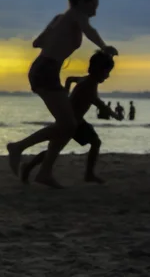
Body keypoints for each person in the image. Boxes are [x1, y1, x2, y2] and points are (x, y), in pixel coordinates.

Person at [7, 0, 118, 188]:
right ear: (82, 2)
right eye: (93, 5)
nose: (95, 10)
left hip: (44, 69)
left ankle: (45, 172)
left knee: (67, 126)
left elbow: (37, 42)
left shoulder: (61, 18)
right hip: (46, 71)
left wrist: (55, 38)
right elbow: (89, 30)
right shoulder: (77, 15)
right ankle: (18, 147)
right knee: (68, 124)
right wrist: (104, 47)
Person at [20, 51, 121, 184]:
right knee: (54, 149)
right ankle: (28, 168)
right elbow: (97, 102)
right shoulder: (88, 85)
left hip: (77, 121)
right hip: (70, 122)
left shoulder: (86, 79)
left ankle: (89, 174)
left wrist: (66, 93)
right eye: (106, 72)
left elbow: (70, 79)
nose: (107, 76)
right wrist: (114, 114)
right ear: (97, 70)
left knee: (91, 143)